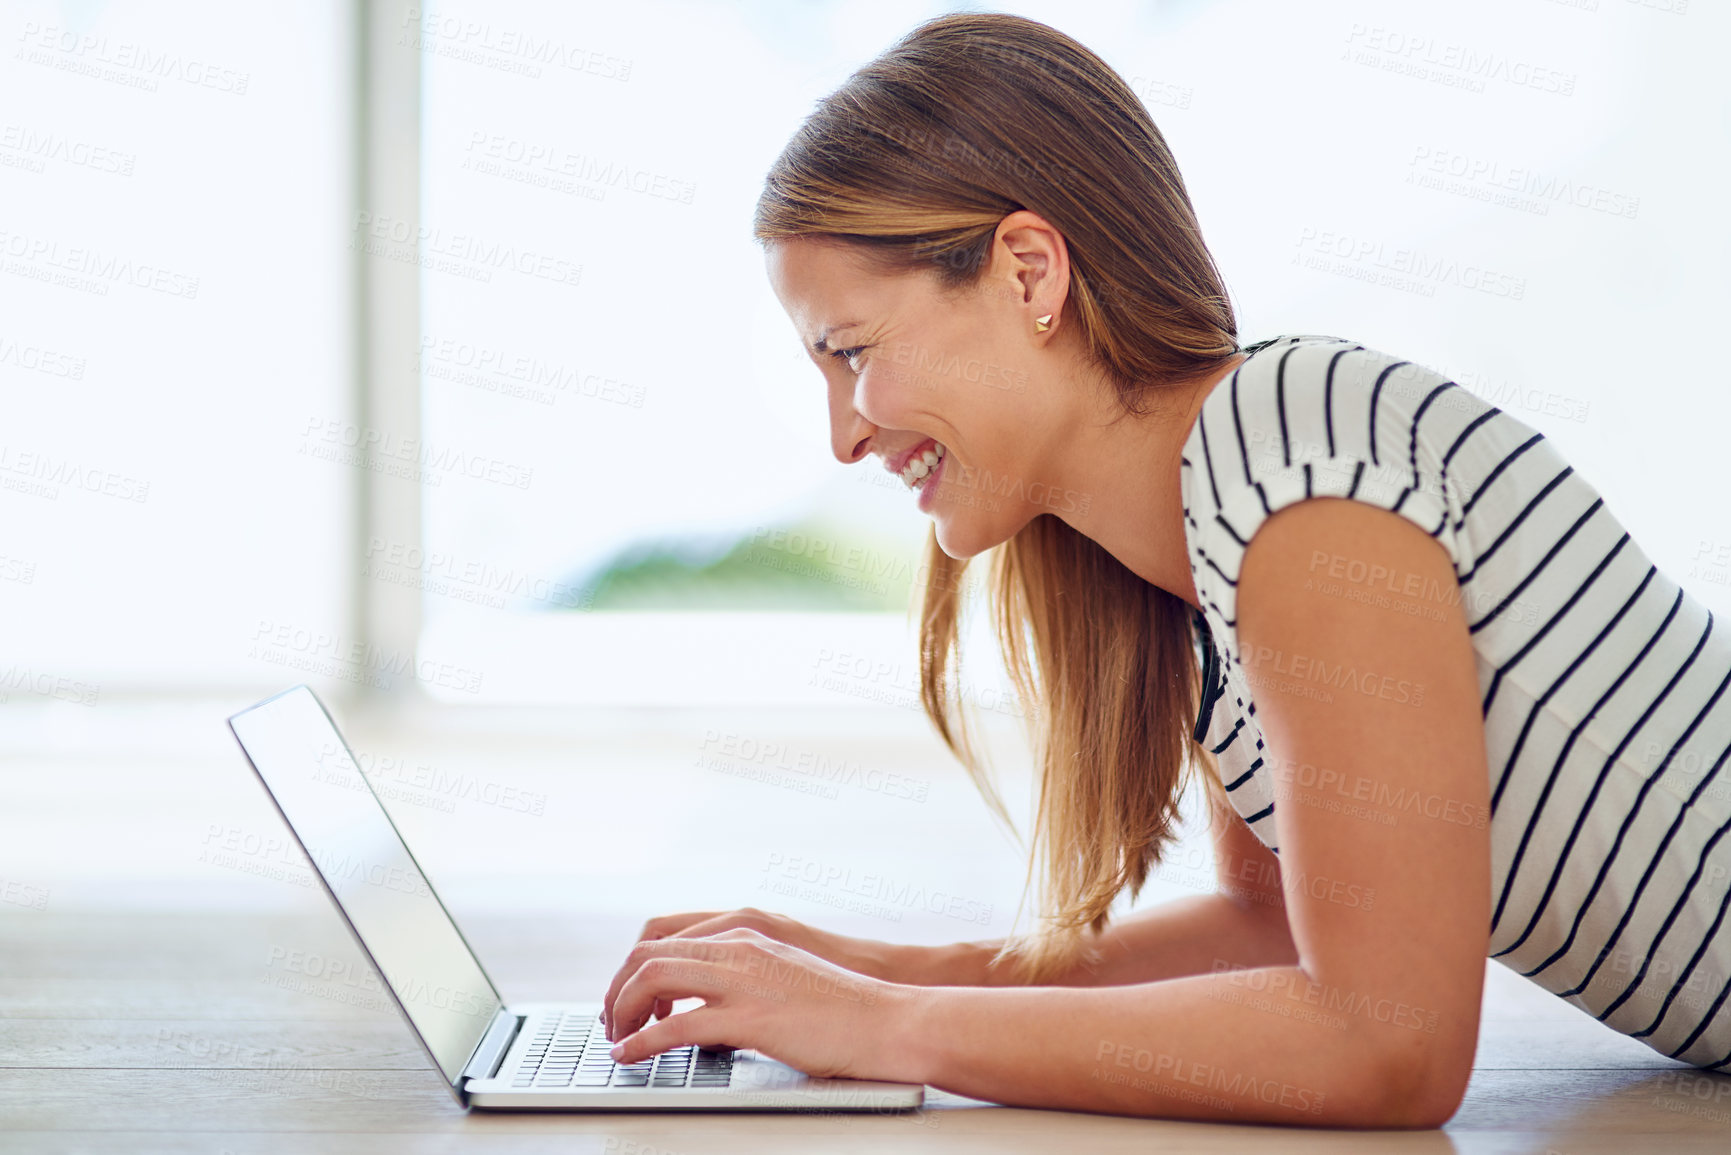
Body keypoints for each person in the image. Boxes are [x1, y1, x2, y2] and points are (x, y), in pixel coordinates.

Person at [598, 12, 1731, 1126]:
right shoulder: (1199, 554)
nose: (845, 435)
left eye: (852, 353)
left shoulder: (1295, 464)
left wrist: (887, 1025)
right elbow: (1275, 927)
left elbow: (1390, 1044)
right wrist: (880, 972)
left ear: (1030, 273)